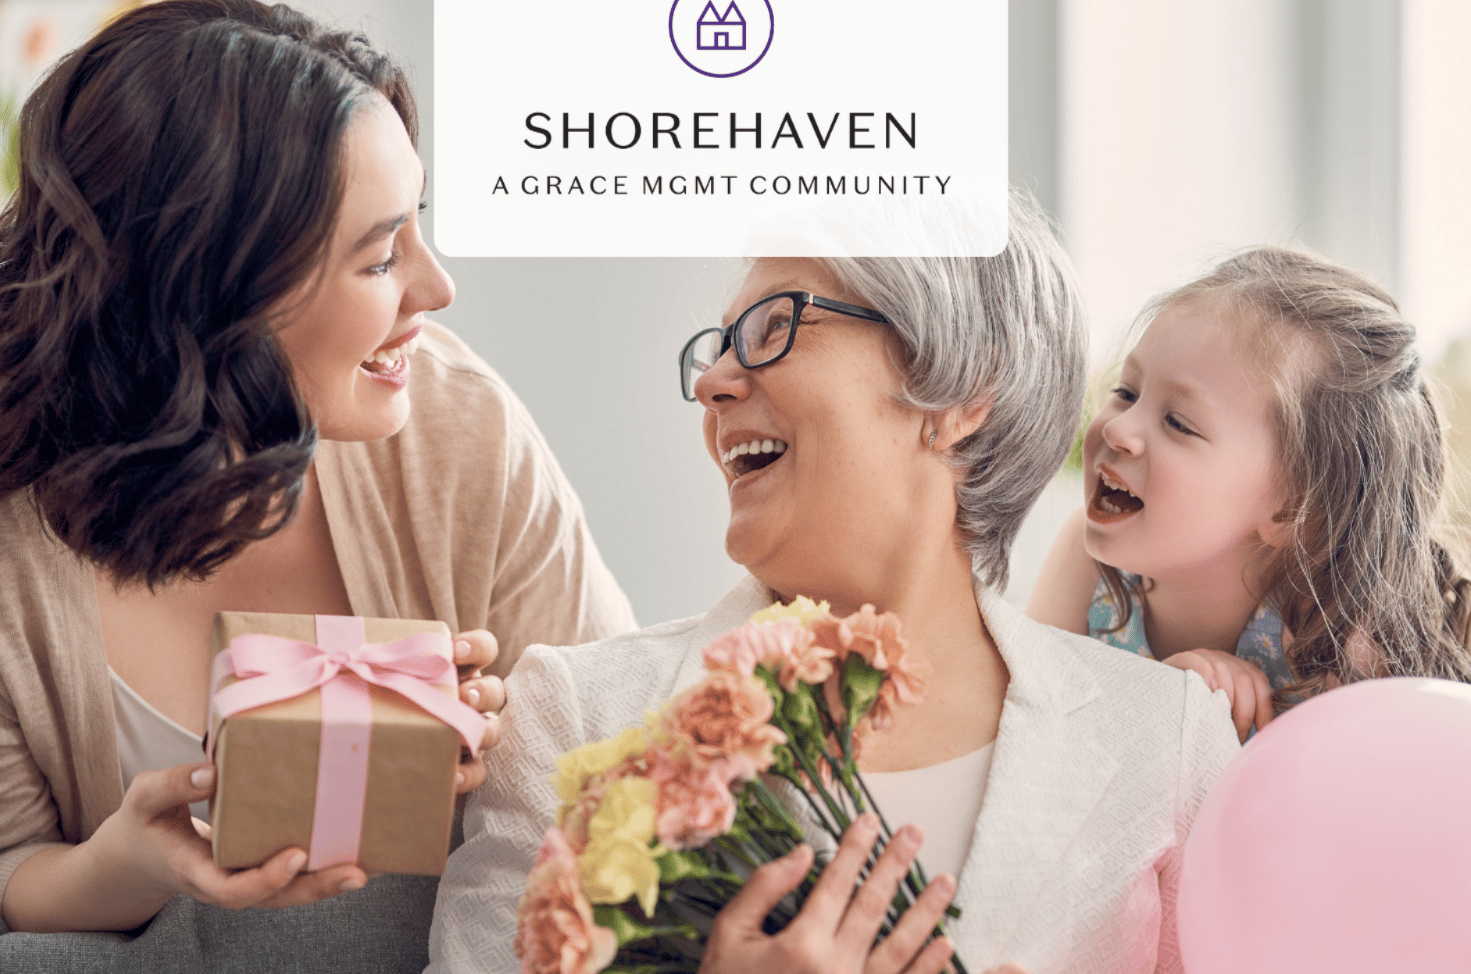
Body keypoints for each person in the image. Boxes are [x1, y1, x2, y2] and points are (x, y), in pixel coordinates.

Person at [0, 0, 633, 958]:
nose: (437, 290)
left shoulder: (459, 428)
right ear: (216, 294)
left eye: (418, 226)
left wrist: (520, 752)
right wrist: (138, 859)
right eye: (378, 258)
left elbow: (627, 774)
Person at [429, 195, 1240, 974]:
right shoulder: (571, 717)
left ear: (961, 391)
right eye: (716, 348)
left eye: (775, 329)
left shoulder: (1167, 744)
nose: (713, 383)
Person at [1027, 247, 1471, 741]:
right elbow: (1029, 735)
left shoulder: (1336, 642)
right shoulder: (1089, 564)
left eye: (1178, 423)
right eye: (1127, 392)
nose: (1120, 428)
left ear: (1291, 510)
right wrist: (1155, 706)